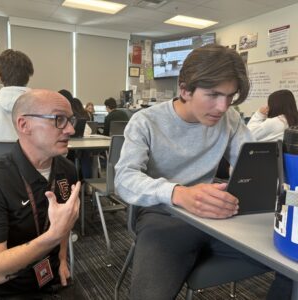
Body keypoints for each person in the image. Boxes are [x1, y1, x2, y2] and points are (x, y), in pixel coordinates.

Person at [114, 44, 291, 300]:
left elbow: (253, 163)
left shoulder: (229, 118)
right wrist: (179, 194)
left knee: (291, 260)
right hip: (164, 215)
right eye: (214, 94)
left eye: (230, 96)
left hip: (217, 213)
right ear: (184, 89)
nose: (222, 106)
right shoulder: (146, 121)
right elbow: (125, 179)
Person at [0, 89, 86, 299]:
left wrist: (63, 259)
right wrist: (53, 236)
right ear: (24, 125)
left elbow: (63, 226)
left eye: (70, 120)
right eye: (58, 119)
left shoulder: (67, 170)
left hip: (51, 277)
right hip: (7, 288)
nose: (70, 129)